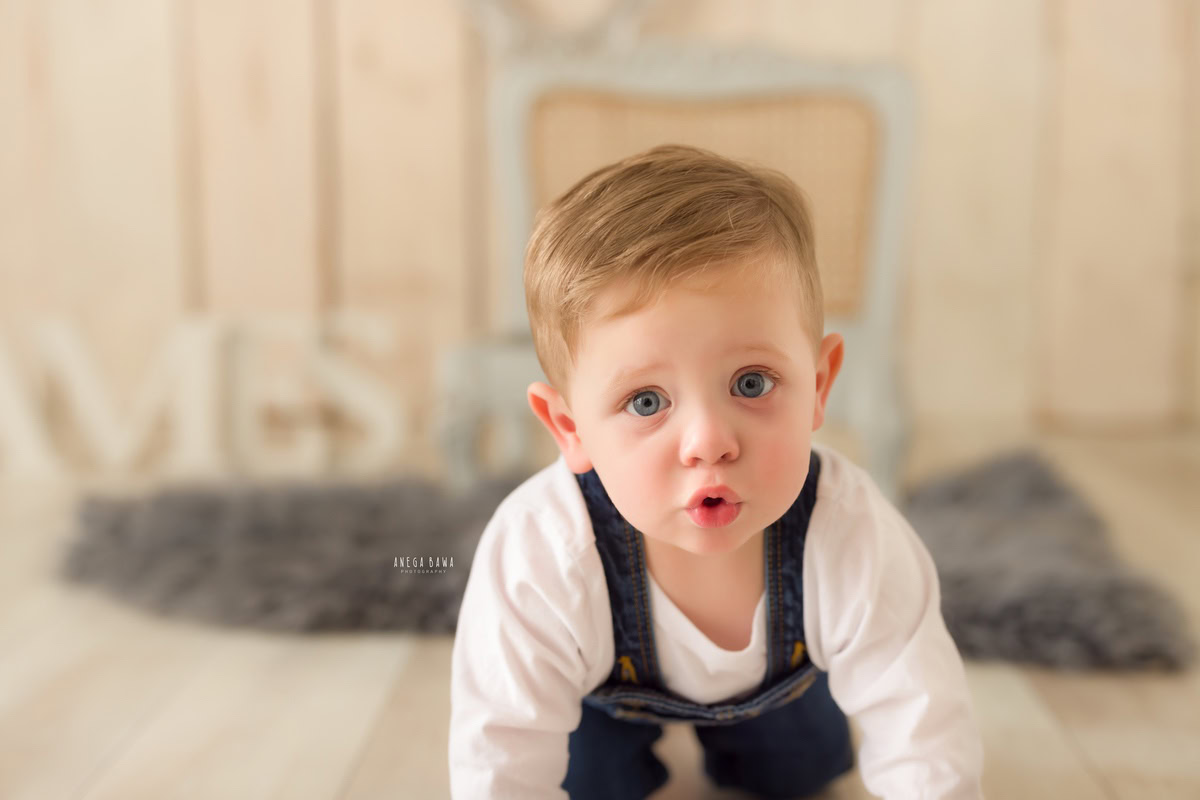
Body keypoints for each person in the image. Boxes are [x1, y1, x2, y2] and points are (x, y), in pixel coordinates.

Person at [448, 144, 985, 799]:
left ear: (819, 385)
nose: (708, 442)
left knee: (799, 776)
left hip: (777, 693)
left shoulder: (851, 536)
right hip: (596, 700)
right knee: (594, 784)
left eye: (752, 383)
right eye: (646, 402)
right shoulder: (542, 553)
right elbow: (499, 753)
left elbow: (922, 727)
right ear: (569, 427)